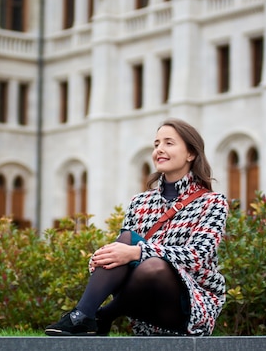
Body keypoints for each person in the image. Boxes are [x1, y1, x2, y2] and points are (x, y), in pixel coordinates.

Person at [45, 118, 229, 336]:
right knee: (124, 242)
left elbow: (198, 256)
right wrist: (100, 258)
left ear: (191, 154)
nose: (159, 149)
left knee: (152, 265)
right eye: (156, 144)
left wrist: (137, 252)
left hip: (186, 307)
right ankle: (84, 315)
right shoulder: (139, 202)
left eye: (169, 143)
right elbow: (122, 254)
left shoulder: (213, 202)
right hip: (142, 302)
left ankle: (103, 315)